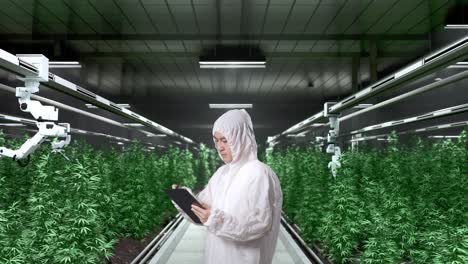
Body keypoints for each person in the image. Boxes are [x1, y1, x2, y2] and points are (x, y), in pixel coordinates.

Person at [171, 109, 283, 264]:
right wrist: (184, 200)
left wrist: (216, 220)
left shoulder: (258, 173)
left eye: (225, 140)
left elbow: (260, 224)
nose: (219, 147)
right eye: (216, 140)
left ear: (240, 138)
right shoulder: (222, 173)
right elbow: (204, 209)